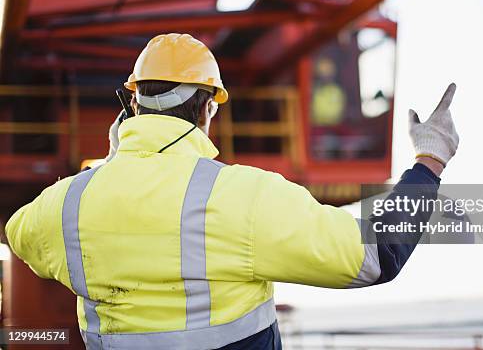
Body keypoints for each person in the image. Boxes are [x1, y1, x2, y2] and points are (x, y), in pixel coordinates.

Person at [5, 33, 459, 350]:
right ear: (207, 108)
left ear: (132, 106)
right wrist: (429, 160)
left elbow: (18, 231)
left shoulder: (66, 205)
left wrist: (110, 166)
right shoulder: (243, 197)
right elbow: (377, 256)